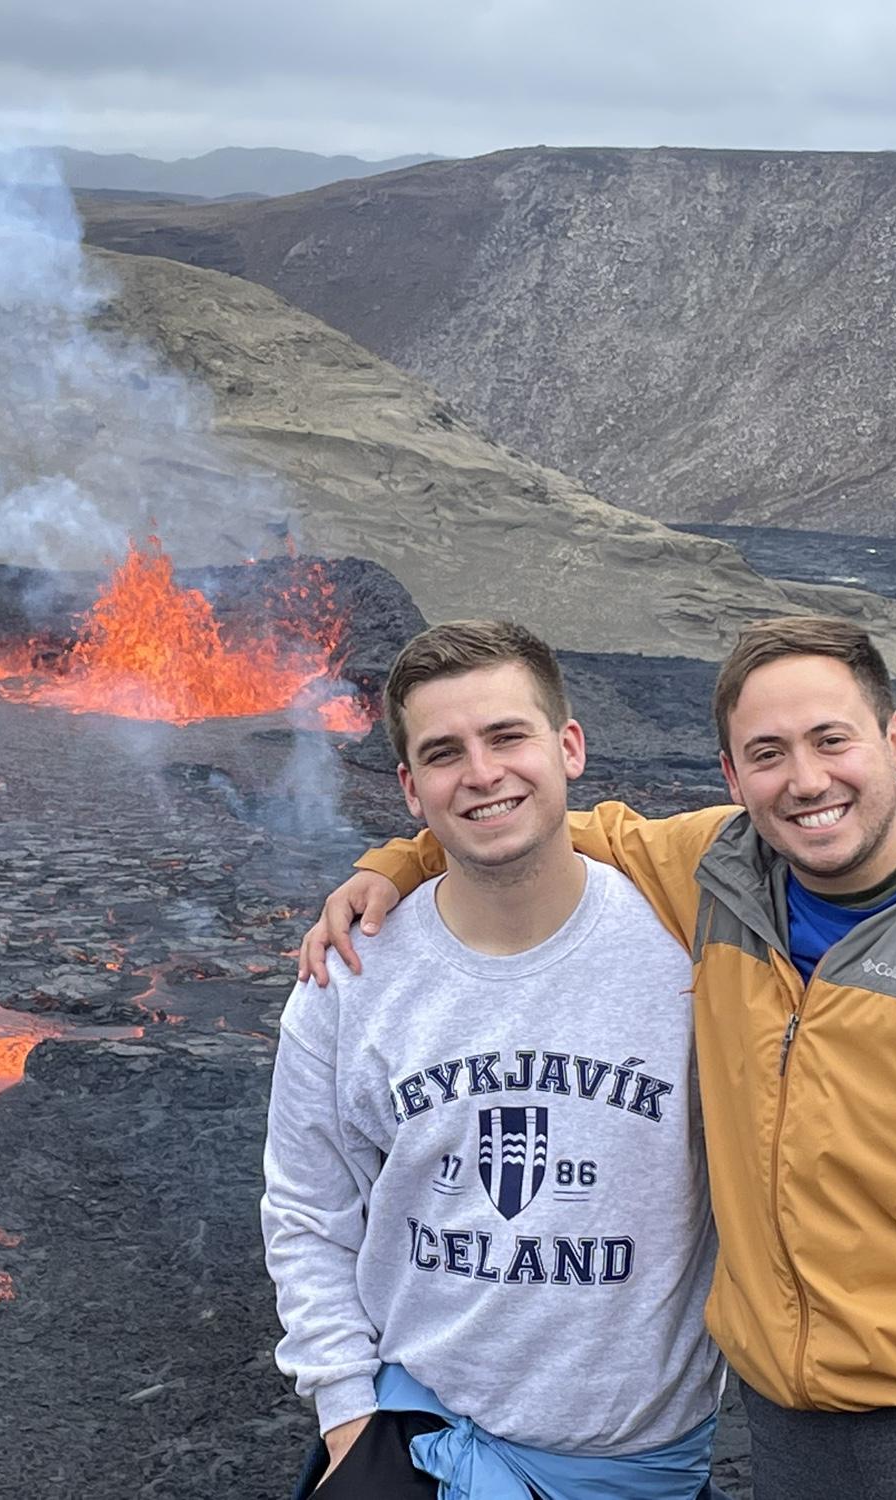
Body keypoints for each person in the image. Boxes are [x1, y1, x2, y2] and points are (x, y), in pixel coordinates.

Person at [300, 615, 896, 1499]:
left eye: (831, 740)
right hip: (787, 1424)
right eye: (767, 753)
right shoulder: (721, 875)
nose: (807, 780)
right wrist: (397, 862)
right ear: (731, 778)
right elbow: (524, 820)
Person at [262, 620, 727, 1499]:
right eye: (444, 753)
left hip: (640, 1471)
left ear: (569, 747)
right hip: (420, 1450)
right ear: (410, 788)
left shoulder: (691, 947)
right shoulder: (350, 976)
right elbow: (307, 1211)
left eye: (507, 736)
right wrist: (348, 1419)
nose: (481, 773)